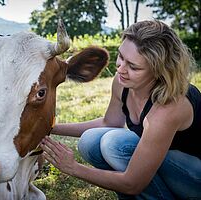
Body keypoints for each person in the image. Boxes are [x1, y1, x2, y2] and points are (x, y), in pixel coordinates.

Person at [40, 20, 201, 199]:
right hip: (166, 165)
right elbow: (109, 122)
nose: (120, 68)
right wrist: (50, 126)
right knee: (90, 142)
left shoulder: (169, 106)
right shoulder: (122, 82)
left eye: (133, 66)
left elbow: (132, 184)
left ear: (158, 71)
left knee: (115, 144)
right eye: (121, 56)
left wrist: (73, 167)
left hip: (195, 177)